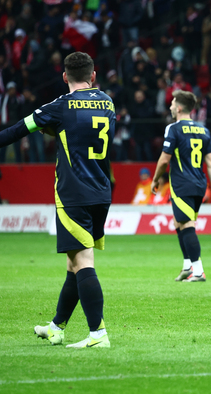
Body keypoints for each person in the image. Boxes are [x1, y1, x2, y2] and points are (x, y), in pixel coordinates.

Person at [0, 52, 115, 348]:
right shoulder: (107, 102)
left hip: (73, 193)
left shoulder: (59, 107)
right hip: (102, 192)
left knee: (83, 261)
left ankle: (98, 334)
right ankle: (56, 326)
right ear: (94, 75)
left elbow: (18, 130)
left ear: (65, 76)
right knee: (73, 264)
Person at [152, 90, 211, 283]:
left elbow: (164, 160)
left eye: (172, 103)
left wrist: (155, 179)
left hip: (181, 184)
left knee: (186, 225)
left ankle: (198, 270)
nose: (169, 107)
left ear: (178, 108)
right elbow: (210, 163)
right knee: (179, 223)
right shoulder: (204, 130)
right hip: (199, 184)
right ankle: (187, 265)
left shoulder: (173, 129)